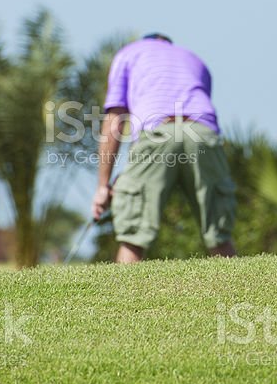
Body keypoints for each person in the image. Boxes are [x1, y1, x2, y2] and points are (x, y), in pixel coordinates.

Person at [91, 33, 237, 263]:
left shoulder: (129, 53)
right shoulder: (194, 59)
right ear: (167, 43)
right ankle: (238, 294)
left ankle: (120, 297)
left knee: (133, 237)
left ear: (145, 41)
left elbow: (115, 119)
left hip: (158, 131)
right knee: (219, 235)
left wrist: (102, 186)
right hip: (202, 132)